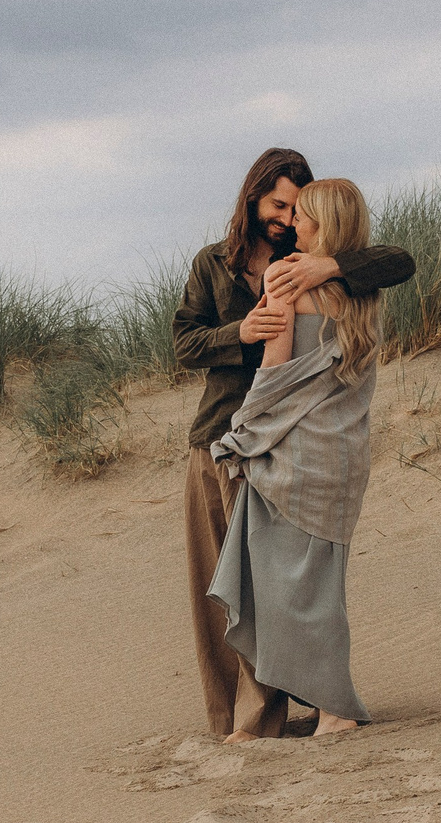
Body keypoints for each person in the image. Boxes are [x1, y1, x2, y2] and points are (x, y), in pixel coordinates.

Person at [173, 151, 411, 739]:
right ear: (252, 199)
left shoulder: (305, 264)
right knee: (215, 587)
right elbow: (183, 342)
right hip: (215, 436)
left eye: (296, 208)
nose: (285, 217)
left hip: (270, 442)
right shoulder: (211, 263)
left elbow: (397, 260)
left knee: (259, 581)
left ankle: (266, 717)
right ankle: (227, 715)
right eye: (277, 204)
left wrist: (324, 265)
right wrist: (240, 332)